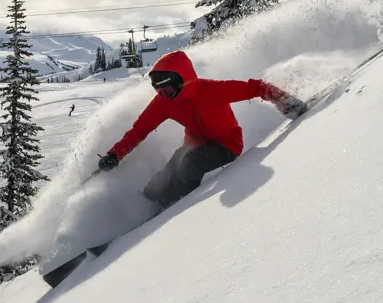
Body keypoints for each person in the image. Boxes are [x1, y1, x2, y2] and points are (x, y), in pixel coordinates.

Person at [97, 50, 307, 210]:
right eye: (157, 89)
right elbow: (139, 130)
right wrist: (115, 155)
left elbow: (256, 87)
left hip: (227, 145)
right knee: (166, 175)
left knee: (190, 163)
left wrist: (284, 100)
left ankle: (171, 209)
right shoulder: (163, 102)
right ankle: (146, 205)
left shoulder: (211, 90)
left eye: (167, 89)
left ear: (182, 80)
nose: (162, 94)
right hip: (195, 144)